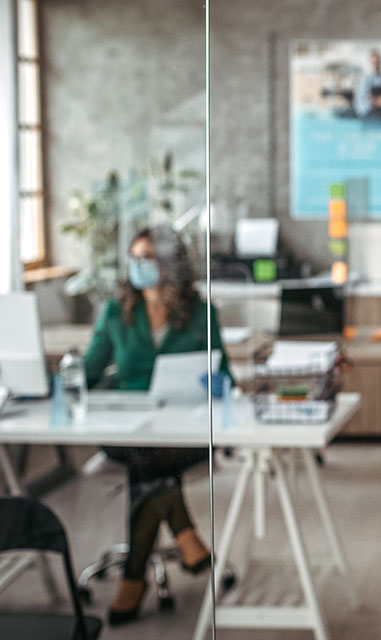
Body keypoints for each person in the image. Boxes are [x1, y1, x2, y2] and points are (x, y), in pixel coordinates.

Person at [83, 225, 231, 625]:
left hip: (186, 430)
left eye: (145, 257)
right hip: (129, 428)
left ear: (168, 264)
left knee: (150, 460)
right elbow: (89, 370)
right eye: (133, 257)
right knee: (146, 454)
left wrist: (213, 381)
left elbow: (226, 378)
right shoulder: (116, 312)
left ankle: (136, 576)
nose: (136, 265)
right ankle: (185, 537)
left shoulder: (201, 314)